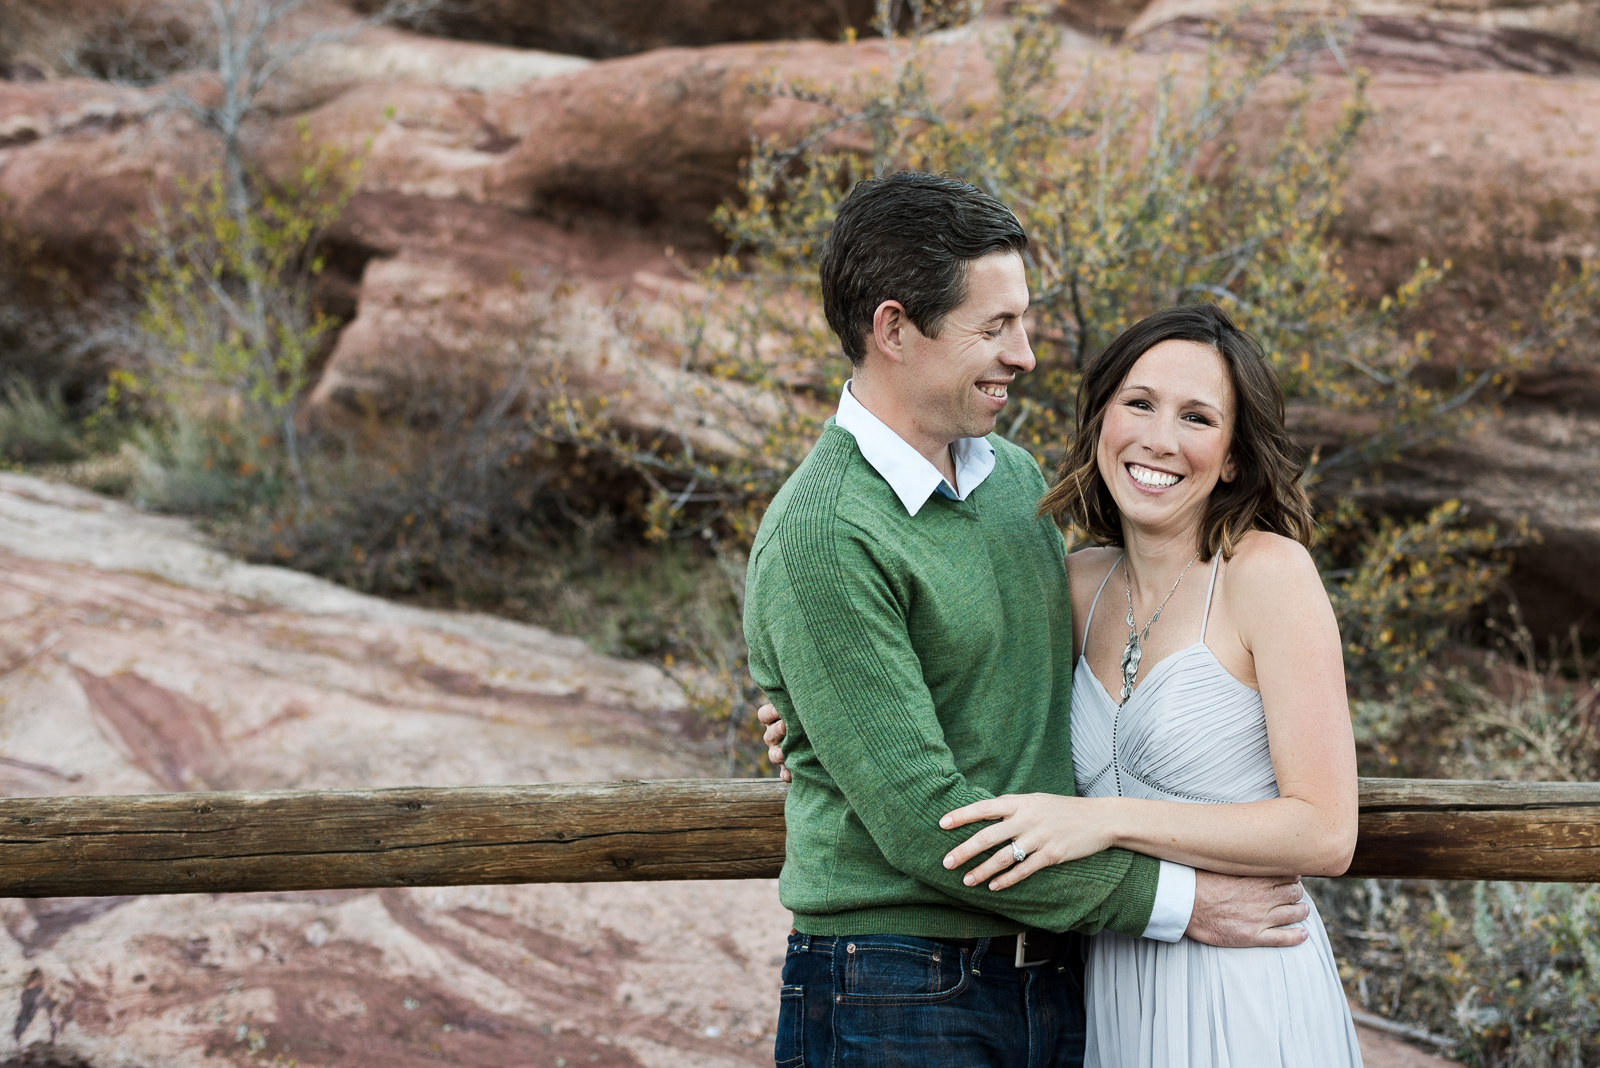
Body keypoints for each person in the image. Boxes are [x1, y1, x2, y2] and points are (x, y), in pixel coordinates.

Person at [745, 171, 1317, 1068]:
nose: (1026, 354)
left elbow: (1024, 684)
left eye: (1025, 320)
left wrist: (812, 719)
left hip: (1059, 977)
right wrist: (1179, 902)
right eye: (996, 326)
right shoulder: (824, 533)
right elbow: (923, 817)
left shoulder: (1013, 484)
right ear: (894, 328)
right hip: (897, 984)